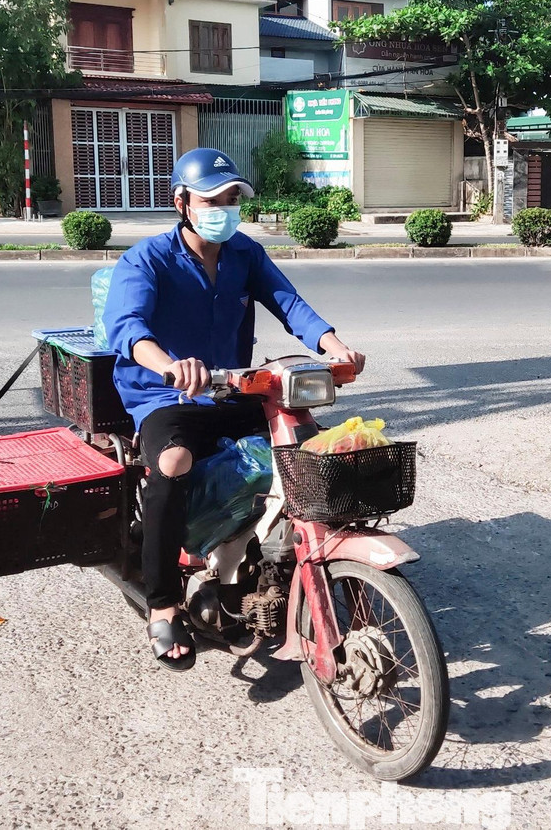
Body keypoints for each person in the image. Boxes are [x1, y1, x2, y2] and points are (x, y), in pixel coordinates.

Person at [101, 148, 365, 670]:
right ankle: (162, 605)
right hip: (166, 393)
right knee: (173, 463)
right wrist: (170, 365)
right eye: (213, 200)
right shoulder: (145, 259)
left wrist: (335, 347)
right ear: (182, 202)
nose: (225, 208)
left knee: (311, 444)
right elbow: (127, 328)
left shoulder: (244, 252)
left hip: (231, 388)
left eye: (232, 199)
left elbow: (288, 302)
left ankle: (294, 555)